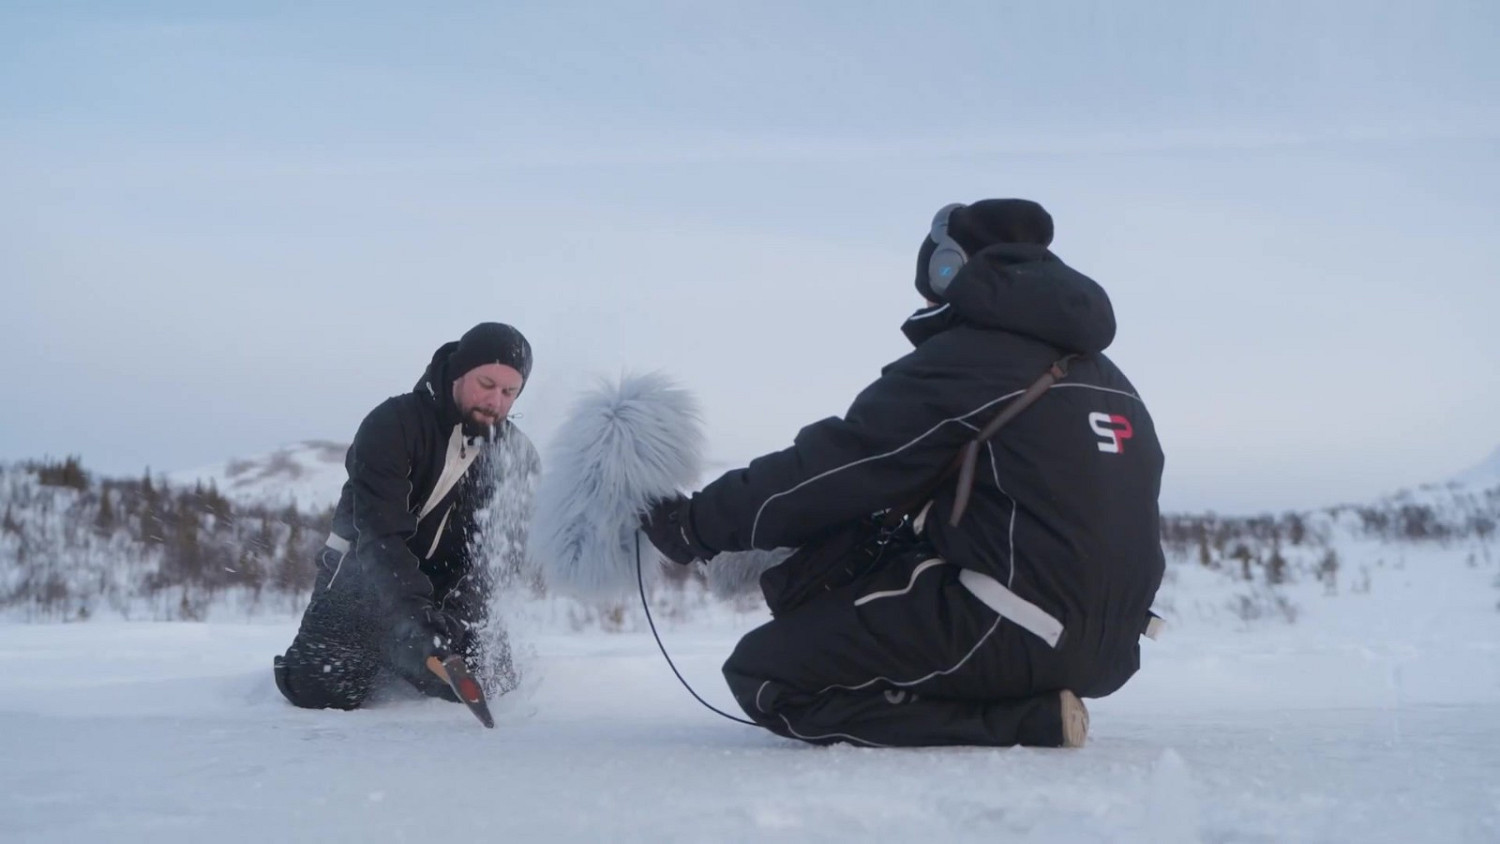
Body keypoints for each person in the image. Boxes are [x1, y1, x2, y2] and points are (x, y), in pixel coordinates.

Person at [641, 199, 1164, 748]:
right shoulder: (1112, 380)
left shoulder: (974, 359)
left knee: (766, 674)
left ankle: (1022, 722)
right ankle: (1021, 696)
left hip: (1014, 624)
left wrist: (697, 524)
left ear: (949, 269)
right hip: (1111, 648)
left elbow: (841, 465)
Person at [274, 322, 540, 711]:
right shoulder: (393, 424)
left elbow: (499, 562)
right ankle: (376, 647)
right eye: (486, 384)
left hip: (447, 599)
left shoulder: (518, 458)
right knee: (324, 689)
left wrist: (459, 621)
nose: (496, 401)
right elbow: (380, 537)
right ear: (459, 373)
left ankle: (407, 654)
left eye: (509, 392)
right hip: (363, 578)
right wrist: (414, 619)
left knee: (490, 681)